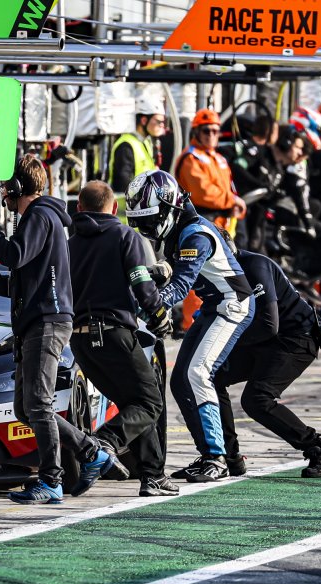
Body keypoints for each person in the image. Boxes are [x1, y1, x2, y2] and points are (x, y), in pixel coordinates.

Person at [0, 156, 127, 504]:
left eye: (6, 186)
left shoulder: (39, 216)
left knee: (38, 405)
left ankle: (52, 479)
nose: (3, 193)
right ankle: (91, 453)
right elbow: (23, 281)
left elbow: (14, 255)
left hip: (47, 321)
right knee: (26, 409)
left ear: (19, 186)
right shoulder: (39, 218)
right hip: (39, 320)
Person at [126, 170, 255, 483]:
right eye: (140, 223)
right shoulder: (182, 229)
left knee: (197, 373)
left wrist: (148, 309)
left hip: (232, 305)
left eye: (149, 220)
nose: (146, 229)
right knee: (180, 381)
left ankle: (217, 458)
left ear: (168, 208)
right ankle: (213, 454)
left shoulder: (195, 234)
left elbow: (181, 286)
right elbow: (178, 271)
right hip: (214, 306)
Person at [67, 180, 177, 497]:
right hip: (113, 333)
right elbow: (140, 282)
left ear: (79, 207)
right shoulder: (126, 236)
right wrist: (159, 315)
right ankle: (101, 444)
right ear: (115, 207)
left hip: (80, 341)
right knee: (150, 402)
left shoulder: (68, 244)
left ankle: (153, 476)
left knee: (135, 403)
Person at [208, 248, 321, 479]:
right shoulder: (216, 271)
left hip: (296, 338)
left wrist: (225, 342)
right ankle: (229, 456)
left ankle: (318, 448)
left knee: (257, 399)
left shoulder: (254, 265)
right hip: (265, 338)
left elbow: (269, 324)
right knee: (210, 377)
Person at [175, 108, 248, 331]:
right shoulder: (191, 158)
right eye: (206, 131)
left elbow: (227, 188)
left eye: (215, 131)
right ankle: (192, 324)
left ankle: (220, 319)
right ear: (196, 132)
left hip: (222, 223)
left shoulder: (218, 158)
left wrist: (232, 203)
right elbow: (203, 192)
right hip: (200, 222)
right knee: (198, 274)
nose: (211, 135)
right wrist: (231, 201)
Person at [221, 114, 280, 250]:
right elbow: (237, 168)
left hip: (249, 206)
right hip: (239, 203)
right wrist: (259, 185)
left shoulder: (263, 150)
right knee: (241, 242)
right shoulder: (253, 148)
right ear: (270, 131)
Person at [109, 94, 166, 194]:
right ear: (144, 120)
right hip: (128, 202)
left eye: (163, 122)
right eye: (158, 121)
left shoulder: (145, 142)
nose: (162, 125)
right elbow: (122, 184)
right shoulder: (126, 145)